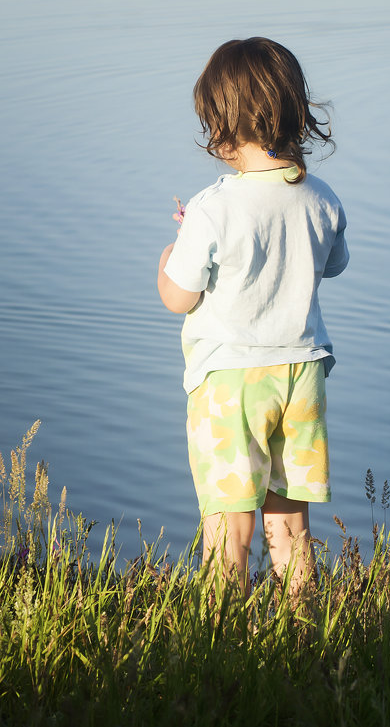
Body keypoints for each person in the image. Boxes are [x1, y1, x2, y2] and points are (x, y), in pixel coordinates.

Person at [157, 37, 349, 597]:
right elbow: (333, 264)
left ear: (221, 126)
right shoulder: (323, 198)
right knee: (290, 526)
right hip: (302, 376)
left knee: (230, 527)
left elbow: (179, 297)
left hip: (230, 383)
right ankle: (304, 638)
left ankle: (224, 651)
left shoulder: (213, 207)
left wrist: (168, 259)